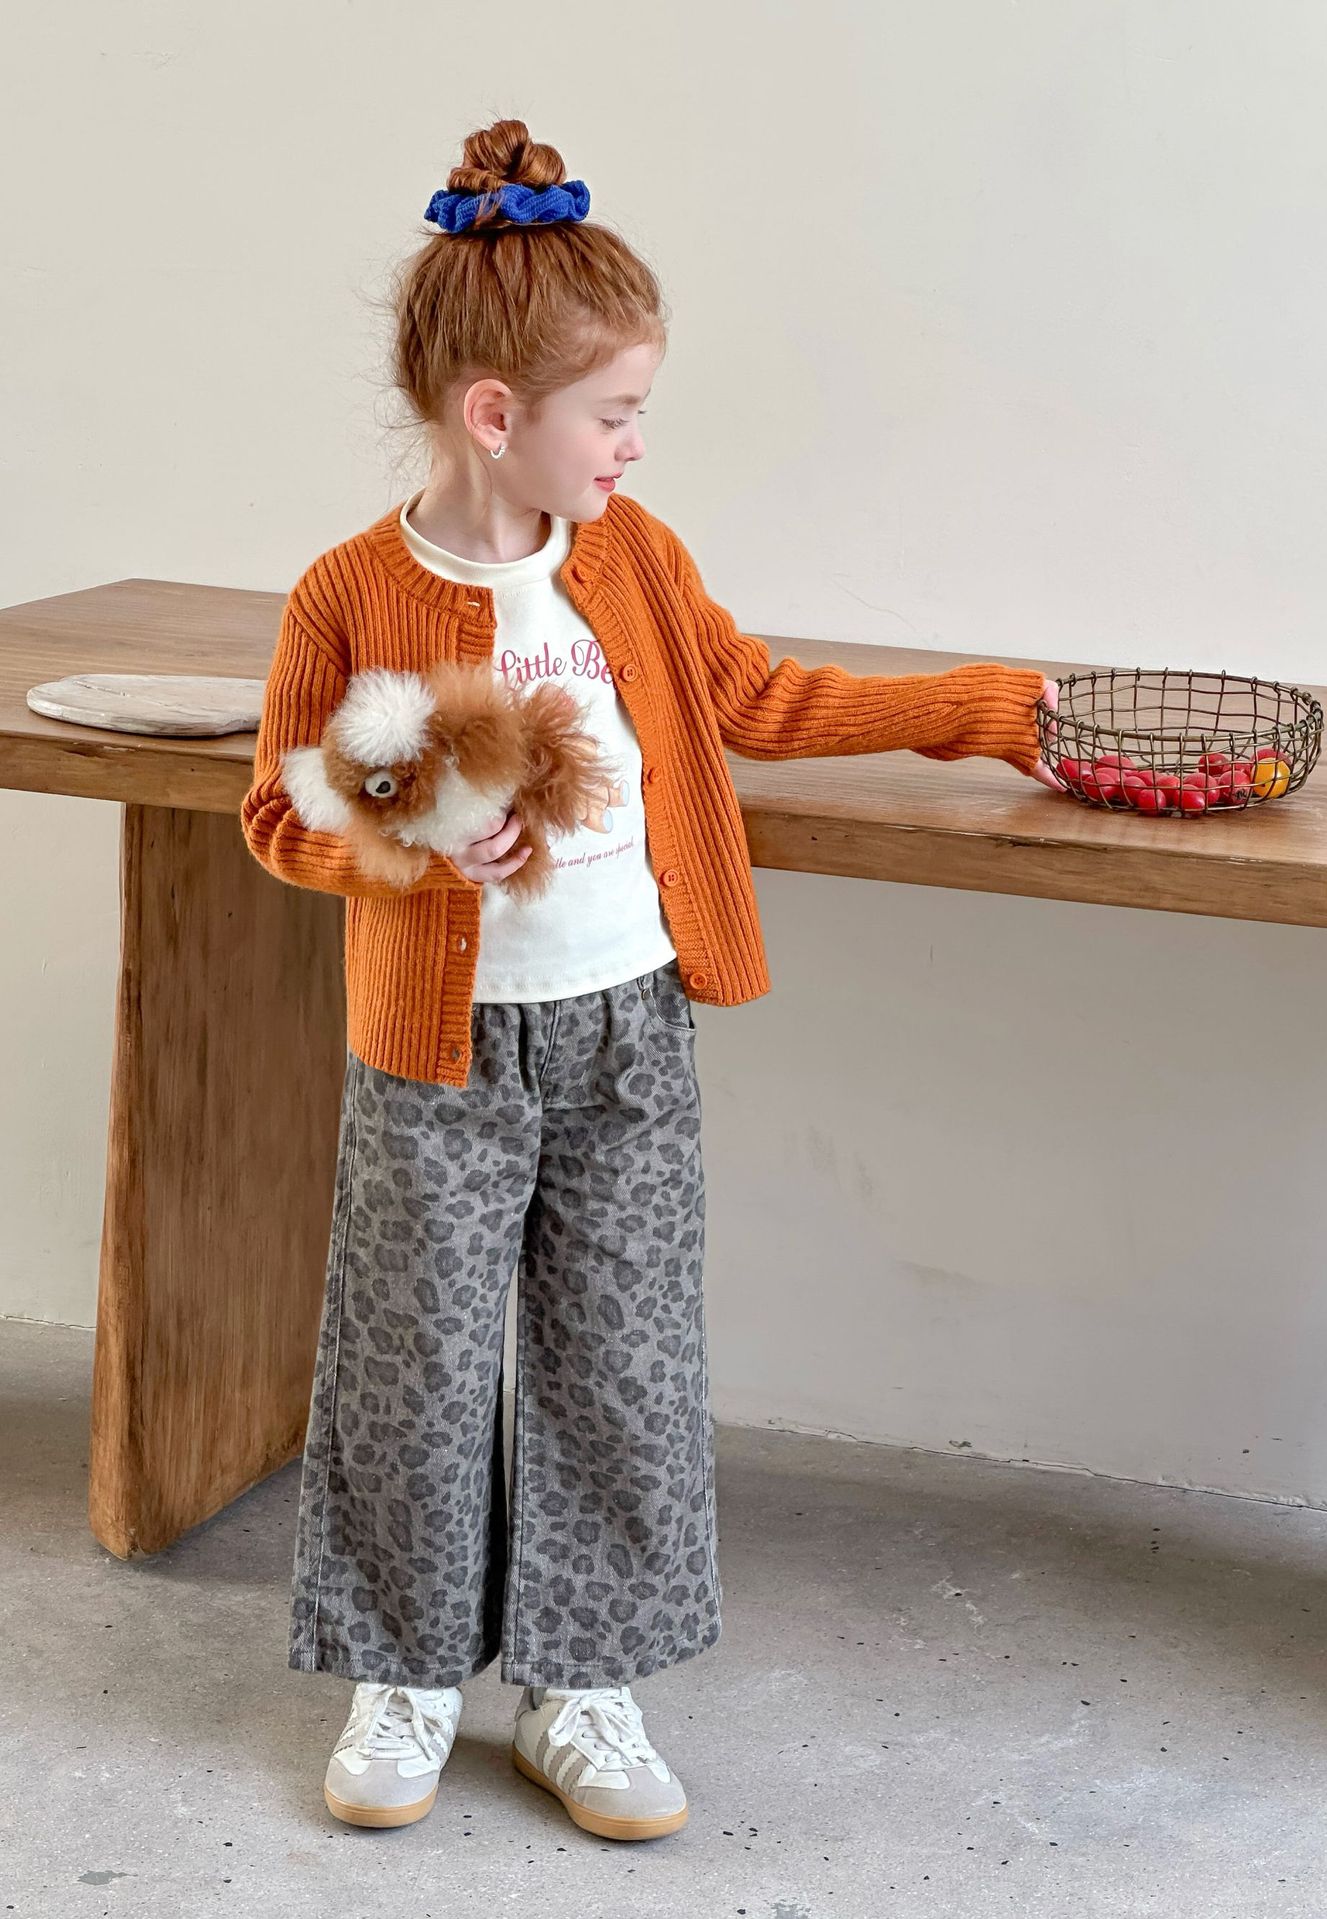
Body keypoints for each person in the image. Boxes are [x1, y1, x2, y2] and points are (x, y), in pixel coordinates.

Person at [240, 116, 1062, 1845]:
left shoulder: (636, 561)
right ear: (496, 416)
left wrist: (971, 706)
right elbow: (279, 812)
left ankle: (582, 1683)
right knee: (411, 1360)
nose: (635, 442)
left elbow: (757, 700)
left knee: (619, 1359)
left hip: (628, 1023)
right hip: (432, 1054)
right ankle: (405, 1670)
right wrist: (409, 845)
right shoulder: (348, 595)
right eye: (612, 413)